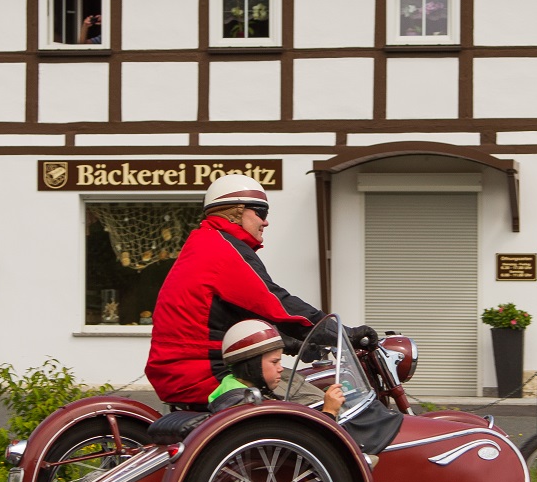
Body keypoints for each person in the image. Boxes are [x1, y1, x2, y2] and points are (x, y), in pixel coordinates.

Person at [144, 173, 376, 410]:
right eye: (261, 213)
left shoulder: (206, 243)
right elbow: (278, 305)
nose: (266, 222)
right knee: (317, 407)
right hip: (205, 373)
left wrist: (297, 344)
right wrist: (342, 333)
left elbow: (243, 320)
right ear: (236, 211)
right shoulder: (223, 249)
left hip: (183, 368)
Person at [207, 319, 345, 418]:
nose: (280, 369)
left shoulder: (232, 391)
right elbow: (294, 444)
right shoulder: (246, 407)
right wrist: (329, 412)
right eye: (274, 362)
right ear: (252, 366)